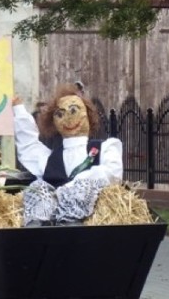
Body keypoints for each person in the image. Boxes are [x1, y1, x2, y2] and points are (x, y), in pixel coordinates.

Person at [13, 83, 123, 225]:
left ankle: (70, 222)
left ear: (87, 115)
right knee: (37, 187)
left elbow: (112, 173)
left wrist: (72, 186)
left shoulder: (105, 148)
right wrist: (18, 109)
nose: (68, 119)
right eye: (60, 114)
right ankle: (38, 225)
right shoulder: (50, 159)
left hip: (87, 228)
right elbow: (29, 147)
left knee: (84, 187)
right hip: (50, 235)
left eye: (73, 111)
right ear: (53, 122)